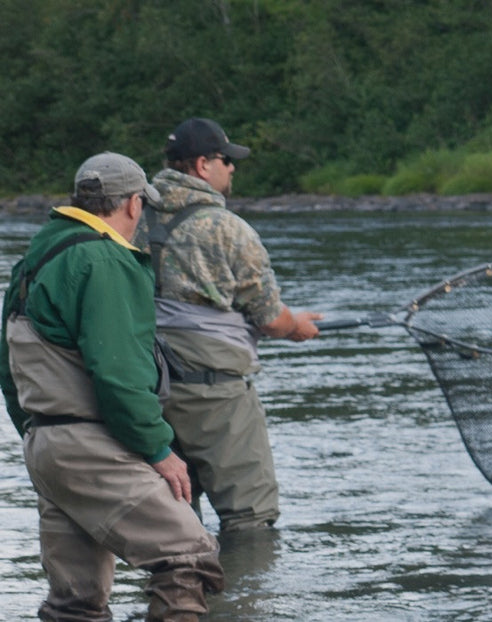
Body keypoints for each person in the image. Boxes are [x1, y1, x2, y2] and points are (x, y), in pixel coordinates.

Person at [1, 152, 225, 620]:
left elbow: (7, 369)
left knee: (75, 602)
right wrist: (159, 449)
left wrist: (37, 433)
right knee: (188, 556)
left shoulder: (34, 259)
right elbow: (119, 375)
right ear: (132, 204)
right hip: (91, 442)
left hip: (44, 444)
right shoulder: (103, 259)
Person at [135, 118, 322, 533]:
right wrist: (297, 327)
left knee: (174, 520)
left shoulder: (131, 218)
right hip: (216, 394)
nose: (232, 168)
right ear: (203, 165)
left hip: (147, 387)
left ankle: (180, 597)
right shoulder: (228, 229)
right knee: (249, 520)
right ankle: (244, 598)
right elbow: (270, 319)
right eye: (226, 159)